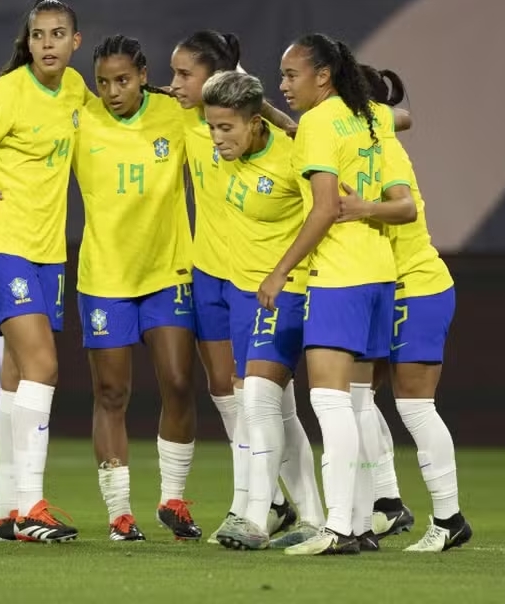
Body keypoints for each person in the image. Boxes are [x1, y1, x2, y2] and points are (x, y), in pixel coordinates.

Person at [0, 34, 203, 541]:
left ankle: (174, 498)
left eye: (122, 80)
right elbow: (26, 149)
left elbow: (233, 126)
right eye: (103, 81)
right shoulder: (82, 116)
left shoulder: (176, 115)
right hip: (104, 279)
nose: (112, 91)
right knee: (111, 392)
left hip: (168, 271)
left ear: (144, 75)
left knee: (179, 382)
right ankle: (120, 513)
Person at [259, 33, 418, 556]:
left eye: (290, 75)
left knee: (328, 404)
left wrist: (281, 270)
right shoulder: (370, 118)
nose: (283, 85)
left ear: (323, 76)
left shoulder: (321, 123)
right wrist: (366, 209)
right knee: (353, 403)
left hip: (340, 273)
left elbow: (325, 208)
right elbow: (404, 204)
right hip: (379, 274)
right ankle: (361, 525)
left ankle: (342, 528)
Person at [0, 0, 87, 543]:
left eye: (57, 34)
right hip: (6, 247)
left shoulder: (77, 90)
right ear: (26, 42)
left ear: (75, 42)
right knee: (44, 366)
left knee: (15, 378)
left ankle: (7, 513)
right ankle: (32, 505)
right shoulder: (6, 94)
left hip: (47, 251)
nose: (47, 44)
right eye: (38, 35)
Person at [169, 31, 299, 541]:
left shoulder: (259, 129)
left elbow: (304, 144)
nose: (174, 83)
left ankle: (254, 503)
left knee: (257, 397)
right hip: (207, 271)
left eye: (184, 74)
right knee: (225, 392)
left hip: (251, 276)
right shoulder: (178, 117)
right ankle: (264, 499)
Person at [340, 65, 473, 552]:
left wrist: (362, 209)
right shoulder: (357, 146)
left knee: (415, 407)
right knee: (353, 399)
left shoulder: (384, 151)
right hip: (377, 289)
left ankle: (449, 517)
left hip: (415, 286)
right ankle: (385, 503)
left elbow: (405, 208)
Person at [197, 71, 325, 551]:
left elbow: (323, 212)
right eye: (212, 127)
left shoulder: (293, 157)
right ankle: (311, 514)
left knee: (256, 401)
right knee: (281, 412)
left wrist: (283, 271)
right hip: (241, 293)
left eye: (227, 128)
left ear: (254, 123)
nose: (217, 137)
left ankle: (253, 515)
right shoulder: (223, 142)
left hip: (286, 288)